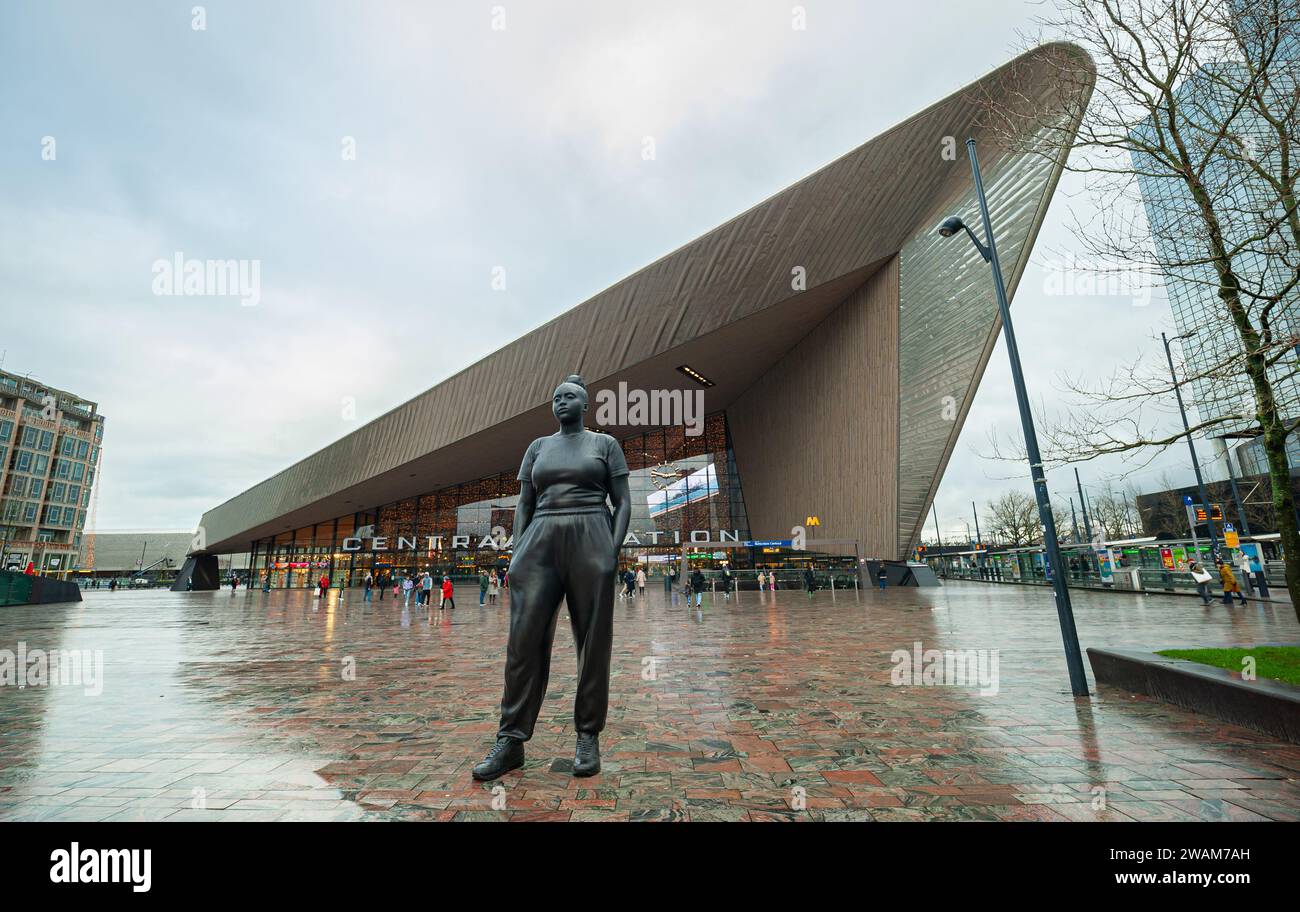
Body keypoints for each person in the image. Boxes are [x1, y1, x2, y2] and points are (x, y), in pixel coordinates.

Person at [473, 374, 630, 782]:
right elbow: (524, 503)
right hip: (540, 538)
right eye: (556, 397)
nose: (561, 402)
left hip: (591, 533)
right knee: (523, 641)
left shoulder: (604, 445)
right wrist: (517, 550)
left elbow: (623, 501)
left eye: (570, 397)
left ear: (585, 404)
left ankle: (587, 736)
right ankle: (511, 741)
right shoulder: (537, 447)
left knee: (593, 641)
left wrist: (611, 552)